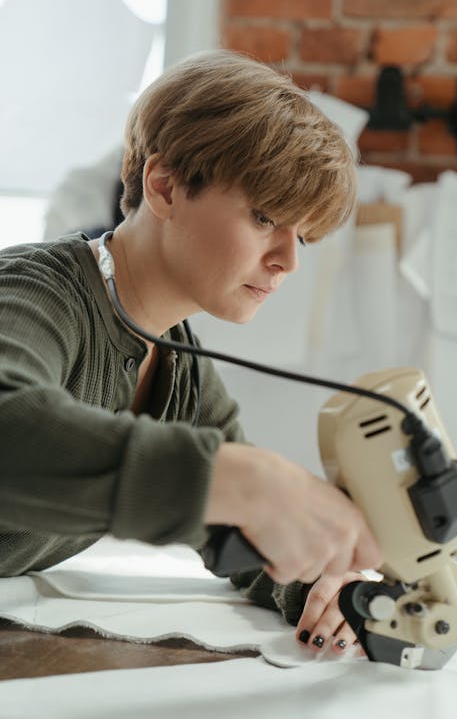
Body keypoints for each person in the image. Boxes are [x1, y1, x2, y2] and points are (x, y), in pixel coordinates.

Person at [0, 50, 381, 657]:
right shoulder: (35, 292)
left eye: (300, 234)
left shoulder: (177, 361)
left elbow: (240, 527)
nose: (289, 261)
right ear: (165, 186)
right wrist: (237, 479)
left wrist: (322, 584)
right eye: (263, 217)